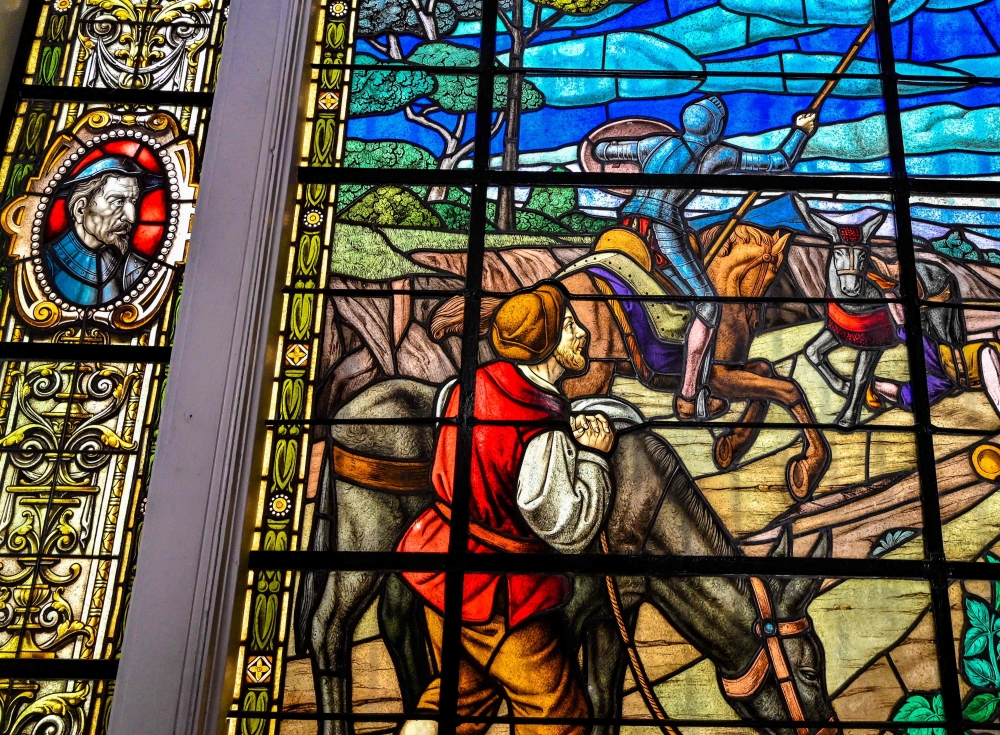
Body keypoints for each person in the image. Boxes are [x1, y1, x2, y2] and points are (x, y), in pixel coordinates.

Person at [397, 283, 614, 735]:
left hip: (440, 572)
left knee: (458, 704)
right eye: (571, 326)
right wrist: (593, 455)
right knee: (560, 719)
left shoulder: (473, 385)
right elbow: (566, 527)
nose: (583, 335)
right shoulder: (540, 423)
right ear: (546, 344)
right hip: (499, 597)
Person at [593, 95, 817, 420]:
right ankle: (688, 395)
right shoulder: (715, 154)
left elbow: (602, 152)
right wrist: (800, 131)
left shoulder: (653, 144)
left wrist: (611, 150)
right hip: (664, 229)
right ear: (715, 128)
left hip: (629, 223)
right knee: (708, 304)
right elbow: (778, 162)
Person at [44, 155, 155, 307]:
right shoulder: (46, 264)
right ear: (80, 208)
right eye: (117, 201)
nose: (131, 217)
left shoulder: (131, 270)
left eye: (133, 202)